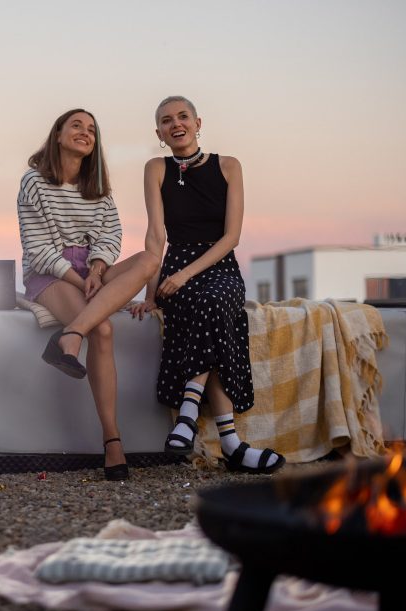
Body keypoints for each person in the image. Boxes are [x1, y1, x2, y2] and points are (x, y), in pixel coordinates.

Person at [130, 96, 285, 474]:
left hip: (219, 266)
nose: (175, 124)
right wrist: (151, 294)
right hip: (176, 264)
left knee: (214, 301)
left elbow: (231, 237)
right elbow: (155, 237)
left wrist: (186, 275)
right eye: (166, 121)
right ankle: (232, 444)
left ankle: (187, 414)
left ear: (199, 123)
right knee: (214, 317)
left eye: (183, 117)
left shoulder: (230, 166)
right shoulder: (156, 168)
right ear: (159, 133)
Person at [19, 109, 157, 481]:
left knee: (148, 260)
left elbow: (110, 236)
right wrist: (83, 283)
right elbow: (38, 248)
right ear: (58, 134)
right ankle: (113, 441)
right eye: (76, 125)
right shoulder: (34, 182)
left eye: (92, 129)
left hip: (92, 269)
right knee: (105, 330)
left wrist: (97, 271)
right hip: (51, 272)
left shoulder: (97, 187)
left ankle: (70, 334)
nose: (85, 132)